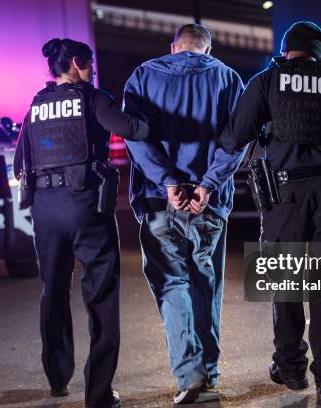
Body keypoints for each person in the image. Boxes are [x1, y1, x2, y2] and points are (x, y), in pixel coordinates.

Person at [220, 21, 321, 406]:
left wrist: (262, 129)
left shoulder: (267, 81)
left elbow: (233, 137)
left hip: (284, 195)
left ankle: (291, 368)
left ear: (286, 49)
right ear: (320, 52)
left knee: (285, 282)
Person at [13, 38, 148, 408]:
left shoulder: (36, 105)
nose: (91, 71)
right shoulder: (92, 97)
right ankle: (99, 395)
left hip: (45, 211)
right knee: (101, 298)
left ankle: (57, 379)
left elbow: (18, 163)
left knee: (53, 291)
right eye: (88, 64)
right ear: (75, 63)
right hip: (87, 208)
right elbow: (132, 129)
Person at [122, 24, 246, 404]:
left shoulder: (143, 75)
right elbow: (237, 139)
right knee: (205, 285)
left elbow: (133, 136)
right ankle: (208, 374)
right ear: (208, 49)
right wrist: (207, 185)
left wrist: (167, 181)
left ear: (173, 46)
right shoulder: (227, 78)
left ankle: (189, 376)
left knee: (173, 286)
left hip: (162, 202)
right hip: (208, 202)